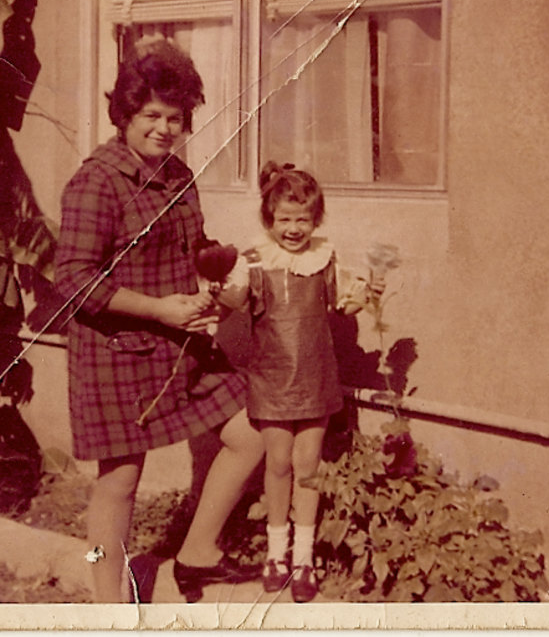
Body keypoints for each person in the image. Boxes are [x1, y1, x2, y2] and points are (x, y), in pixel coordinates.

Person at [54, 40, 264, 603]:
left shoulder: (178, 177)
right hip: (116, 352)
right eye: (151, 115)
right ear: (125, 115)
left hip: (179, 348)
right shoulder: (96, 181)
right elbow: (71, 278)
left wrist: (221, 286)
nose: (165, 128)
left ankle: (195, 555)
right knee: (119, 482)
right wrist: (157, 308)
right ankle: (108, 603)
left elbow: (196, 249)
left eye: (175, 117)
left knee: (252, 432)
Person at [218, 161, 385, 603]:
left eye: (303, 219)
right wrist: (217, 278)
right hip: (271, 378)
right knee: (277, 463)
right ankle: (276, 553)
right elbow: (233, 300)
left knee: (308, 466)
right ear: (269, 219)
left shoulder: (324, 259)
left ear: (316, 219)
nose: (294, 229)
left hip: (315, 376)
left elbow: (342, 308)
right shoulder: (254, 262)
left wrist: (368, 293)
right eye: (285, 219)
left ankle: (304, 559)